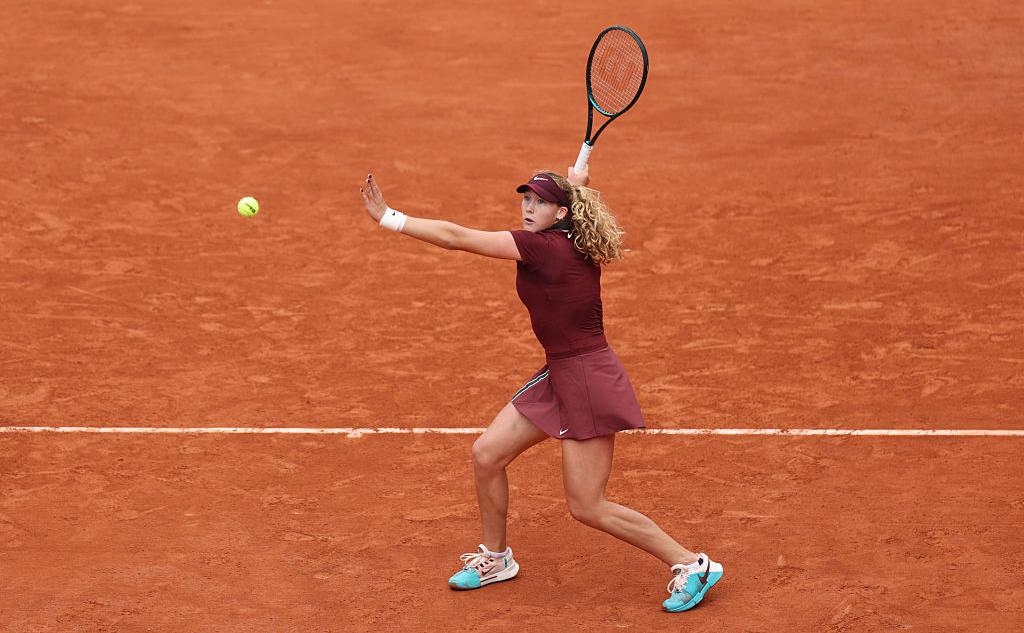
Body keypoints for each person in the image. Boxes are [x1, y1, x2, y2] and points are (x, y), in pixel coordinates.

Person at [359, 166, 723, 612]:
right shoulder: (575, 236)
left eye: (541, 202)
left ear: (561, 213)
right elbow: (575, 203)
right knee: (487, 455)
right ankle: (496, 559)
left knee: (587, 506)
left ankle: (692, 564)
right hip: (561, 373)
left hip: (587, 381)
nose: (529, 208)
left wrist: (389, 217)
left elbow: (456, 236)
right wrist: (577, 184)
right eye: (526, 199)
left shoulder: (540, 247)